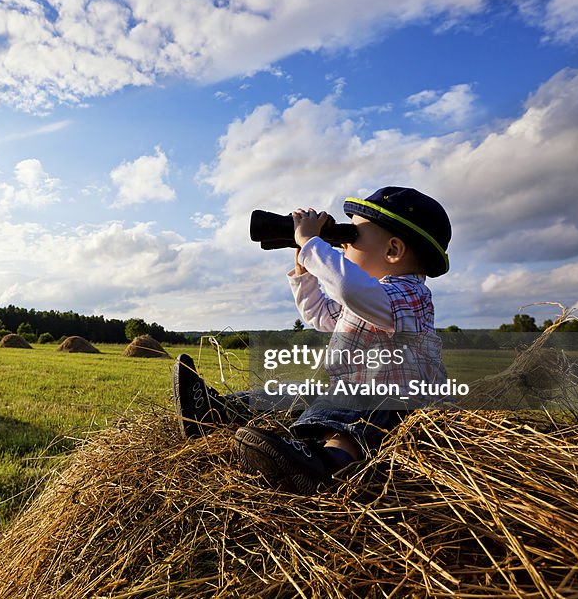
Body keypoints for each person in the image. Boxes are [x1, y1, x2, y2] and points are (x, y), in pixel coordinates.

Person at [173, 186, 452, 494]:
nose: (343, 246)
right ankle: (215, 411)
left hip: (397, 404)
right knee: (293, 393)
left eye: (351, 237)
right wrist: (304, 271)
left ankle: (326, 464)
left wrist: (311, 243)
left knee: (353, 420)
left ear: (393, 251)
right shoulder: (373, 298)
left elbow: (347, 286)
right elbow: (320, 315)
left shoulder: (409, 297)